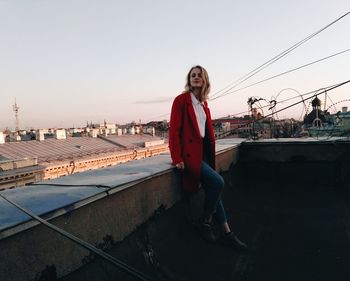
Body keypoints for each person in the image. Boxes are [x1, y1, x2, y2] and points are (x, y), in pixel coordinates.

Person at [169, 65, 247, 250]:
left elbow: (205, 134)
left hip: (202, 153)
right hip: (189, 155)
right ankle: (204, 221)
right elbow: (174, 131)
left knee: (215, 191)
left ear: (205, 80)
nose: (196, 78)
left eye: (199, 75)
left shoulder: (204, 105)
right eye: (192, 75)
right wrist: (177, 157)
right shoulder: (181, 100)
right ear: (189, 80)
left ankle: (227, 233)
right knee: (218, 183)